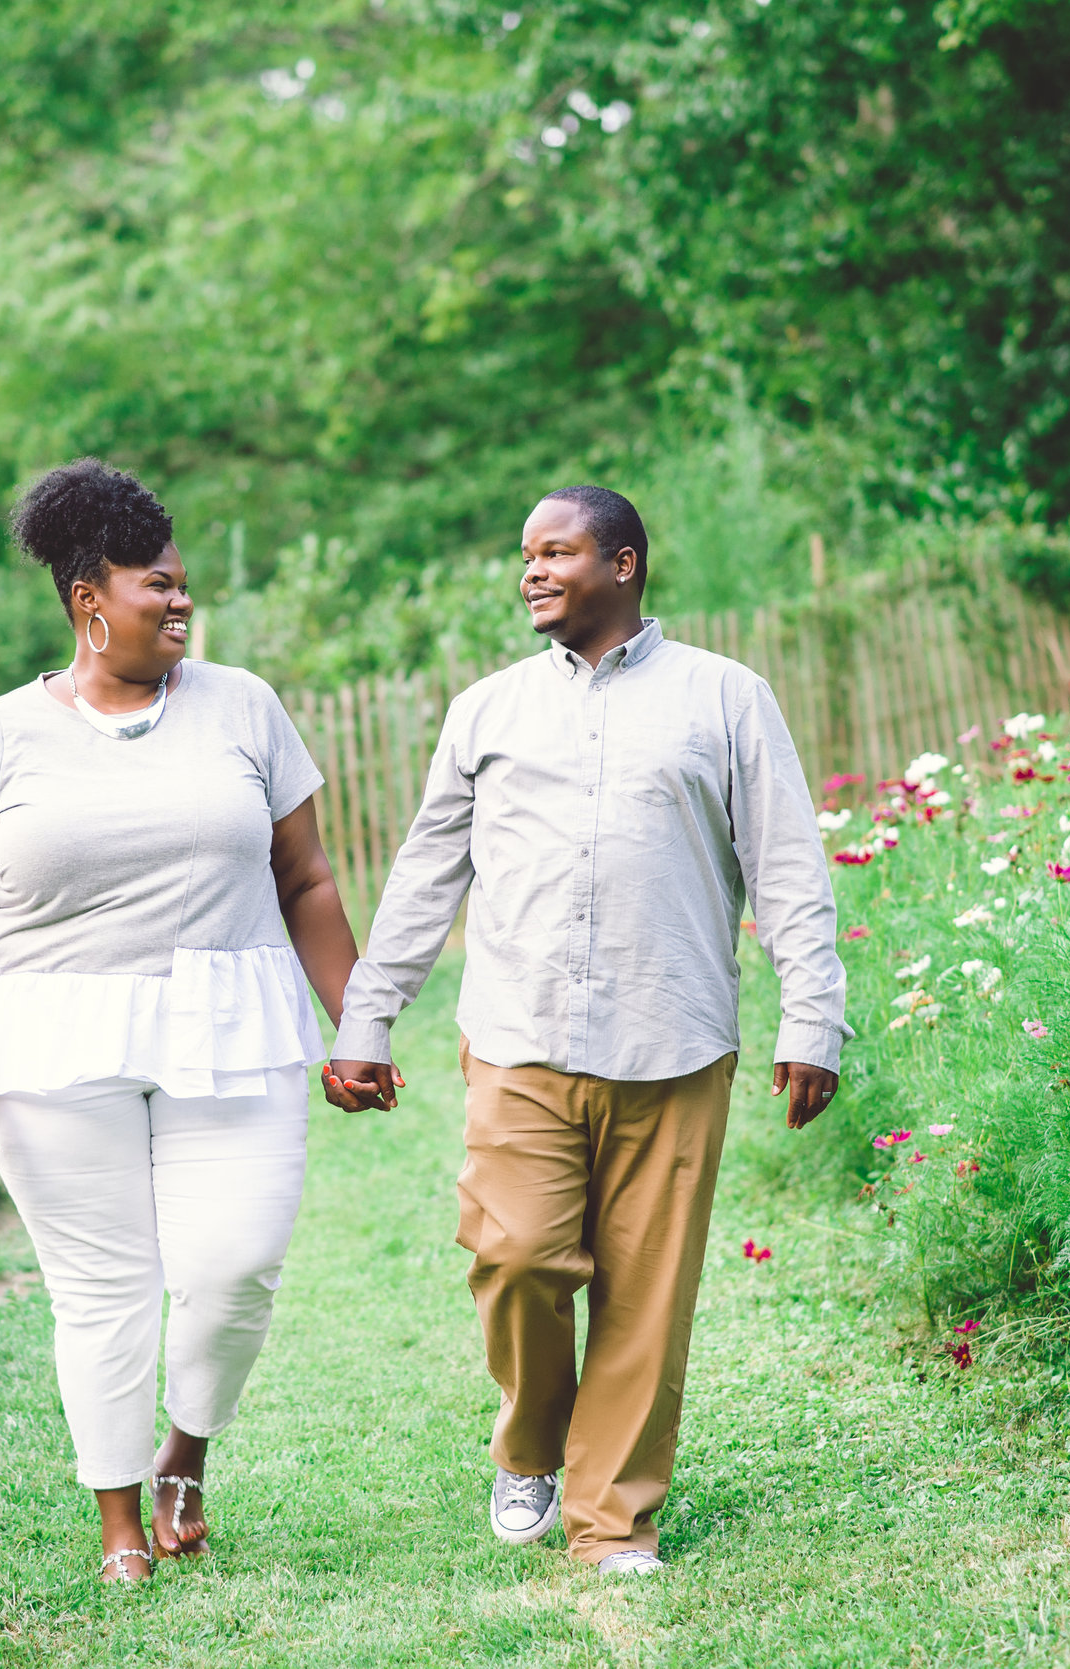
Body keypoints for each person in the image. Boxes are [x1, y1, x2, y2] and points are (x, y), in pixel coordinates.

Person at [323, 485, 848, 1575]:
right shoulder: (488, 709)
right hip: (518, 1032)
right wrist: (368, 1013)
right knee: (515, 1254)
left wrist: (814, 1015)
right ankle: (528, 1447)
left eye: (556, 552)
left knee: (644, 1291)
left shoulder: (726, 697)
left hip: (675, 1035)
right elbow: (427, 873)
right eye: (525, 555)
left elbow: (787, 864)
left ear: (623, 563)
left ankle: (612, 1519)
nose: (532, 571)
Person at [0, 459, 366, 1583]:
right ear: (88, 601)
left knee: (235, 1264)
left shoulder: (242, 706)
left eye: (182, 585)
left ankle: (185, 1453)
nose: (179, 602)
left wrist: (359, 1021)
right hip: (51, 1039)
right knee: (101, 1290)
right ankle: (119, 1517)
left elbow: (305, 878)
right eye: (156, 585)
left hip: (233, 1020)